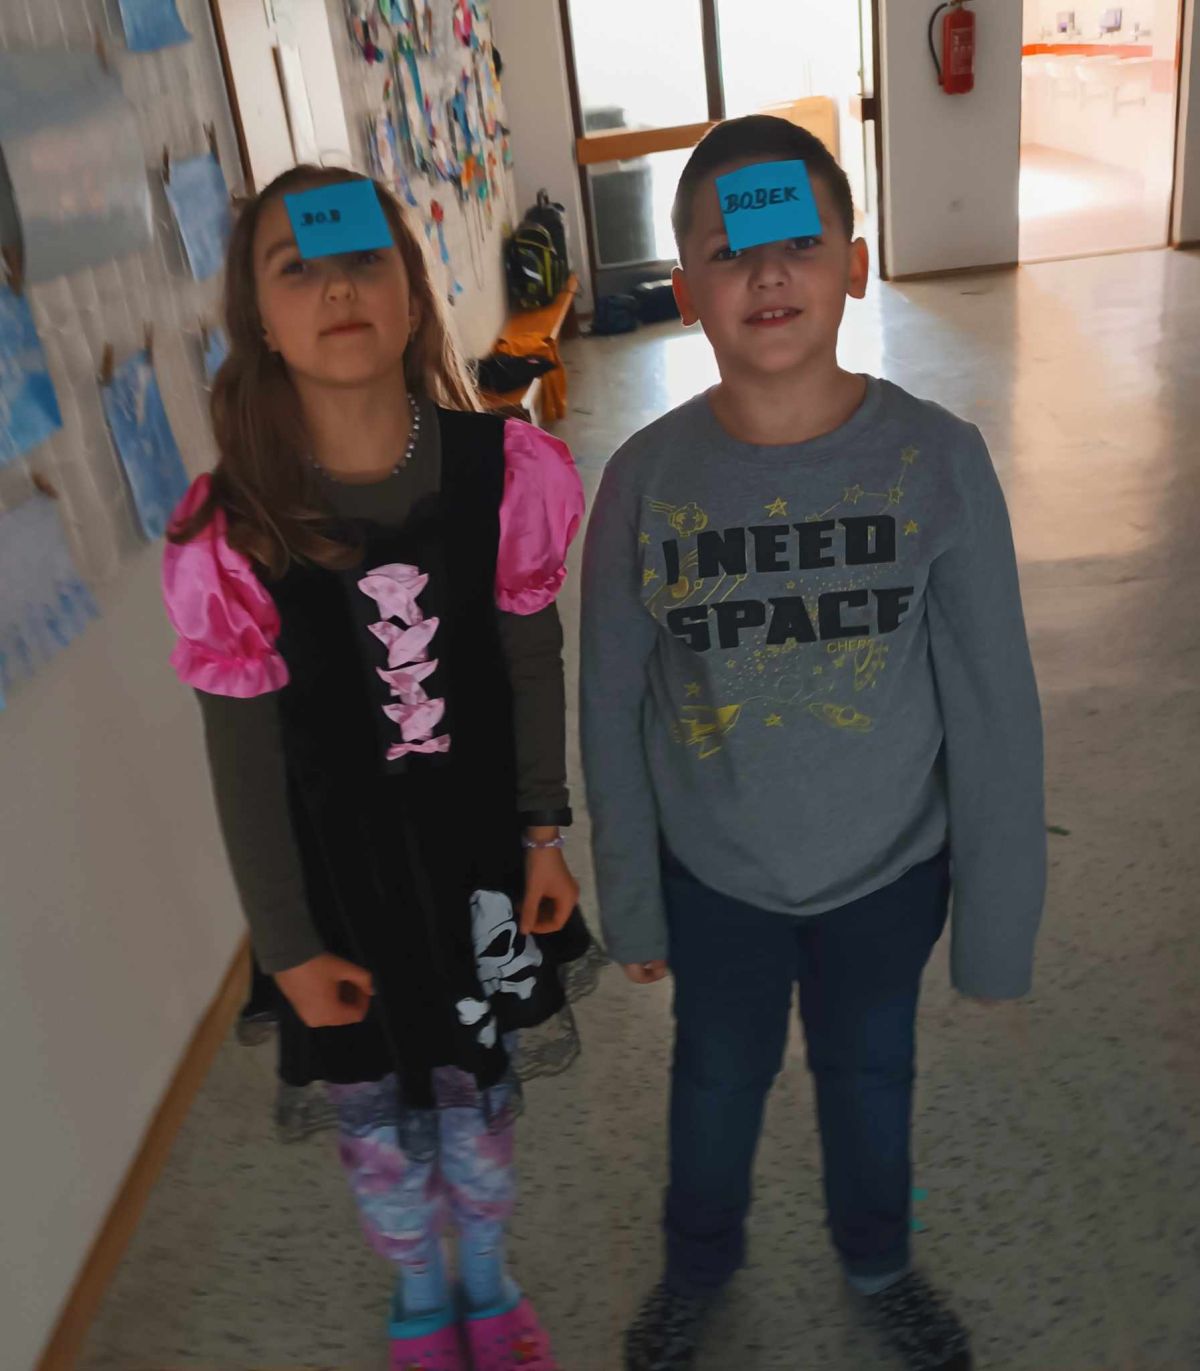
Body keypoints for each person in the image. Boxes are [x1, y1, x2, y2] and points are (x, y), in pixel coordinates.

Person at [581, 116, 1046, 1371]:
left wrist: (998, 924)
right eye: (731, 251)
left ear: (854, 262)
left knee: (871, 1078)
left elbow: (996, 708)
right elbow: (611, 702)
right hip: (715, 879)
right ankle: (697, 1266)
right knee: (714, 1085)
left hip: (888, 876)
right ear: (685, 291)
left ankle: (880, 1261)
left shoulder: (939, 461)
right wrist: (632, 900)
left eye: (799, 241)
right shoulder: (641, 483)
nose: (768, 272)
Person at [163, 165, 595, 1371]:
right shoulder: (233, 527)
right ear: (259, 317)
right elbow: (242, 759)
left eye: (364, 259)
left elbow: (530, 657)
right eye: (297, 268)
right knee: (380, 1123)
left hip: (479, 866)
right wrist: (285, 946)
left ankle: (487, 1280)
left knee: (481, 1094)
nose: (338, 288)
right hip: (338, 887)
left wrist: (545, 833)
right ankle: (418, 1292)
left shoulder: (503, 469)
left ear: (411, 290)